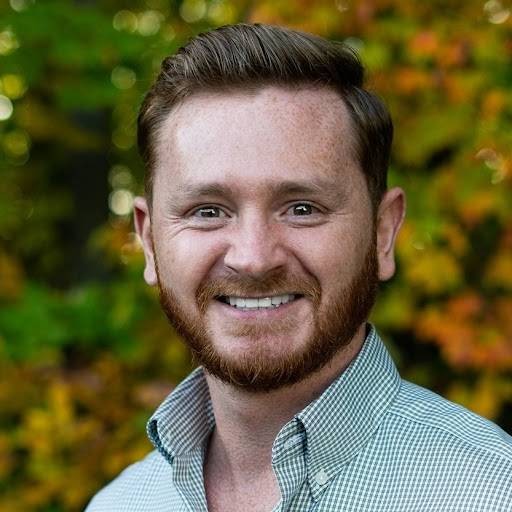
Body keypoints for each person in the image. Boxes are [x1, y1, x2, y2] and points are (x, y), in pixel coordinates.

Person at [86, 23, 512, 511]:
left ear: (382, 232)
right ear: (148, 241)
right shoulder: (120, 504)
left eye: (302, 208)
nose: (253, 258)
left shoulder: (492, 492)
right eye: (207, 211)